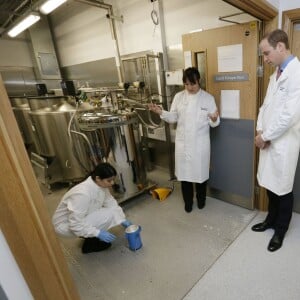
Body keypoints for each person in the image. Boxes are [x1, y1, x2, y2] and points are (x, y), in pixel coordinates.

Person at [252, 29, 300, 252]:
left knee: (283, 189)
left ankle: (280, 230)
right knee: (271, 186)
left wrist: (266, 136)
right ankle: (270, 220)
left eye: (267, 53)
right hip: (268, 140)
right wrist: (260, 129)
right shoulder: (275, 74)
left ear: (280, 47)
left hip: (283, 144)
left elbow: (289, 116)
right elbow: (265, 106)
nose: (265, 58)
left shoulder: (297, 73)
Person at [149, 67, 220, 212]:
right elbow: (173, 117)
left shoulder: (208, 98)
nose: (189, 87)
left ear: (198, 80)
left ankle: (201, 200)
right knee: (185, 176)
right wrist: (161, 112)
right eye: (186, 84)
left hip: (200, 144)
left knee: (200, 175)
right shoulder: (179, 97)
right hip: (183, 144)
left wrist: (214, 119)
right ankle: (188, 202)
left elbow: (215, 122)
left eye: (192, 84)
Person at [52, 162, 132, 254]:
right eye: (109, 180)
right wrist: (97, 233)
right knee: (108, 215)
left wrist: (122, 219)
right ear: (98, 178)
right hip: (64, 225)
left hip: (76, 219)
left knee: (110, 212)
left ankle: (89, 235)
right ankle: (90, 244)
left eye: (113, 180)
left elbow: (110, 203)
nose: (112, 183)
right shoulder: (82, 194)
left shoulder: (100, 185)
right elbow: (75, 224)